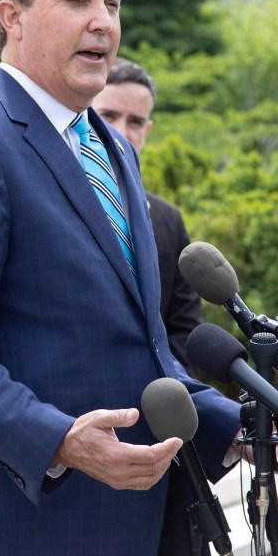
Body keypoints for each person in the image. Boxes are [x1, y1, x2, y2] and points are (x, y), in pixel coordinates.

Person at [0, 0, 241, 556]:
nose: (104, 23)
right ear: (13, 16)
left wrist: (239, 426)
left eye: (111, 3)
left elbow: (138, 344)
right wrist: (58, 441)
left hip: (144, 521)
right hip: (32, 528)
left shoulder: (112, 146)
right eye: (78, 1)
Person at [92, 58, 203, 376]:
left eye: (136, 122)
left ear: (148, 129)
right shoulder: (50, 200)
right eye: (108, 116)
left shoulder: (168, 219)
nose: (121, 132)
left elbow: (185, 332)